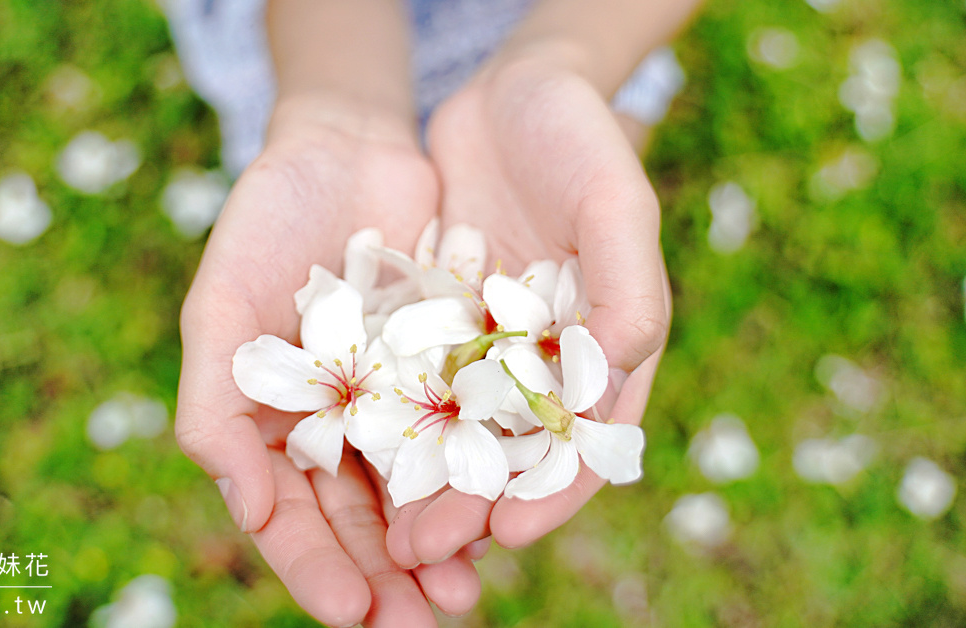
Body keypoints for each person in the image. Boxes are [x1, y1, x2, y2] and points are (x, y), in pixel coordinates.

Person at [169, 1, 701, 625]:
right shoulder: (375, 361)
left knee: (585, 179)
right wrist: (335, 106)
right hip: (307, 38)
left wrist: (563, 58)